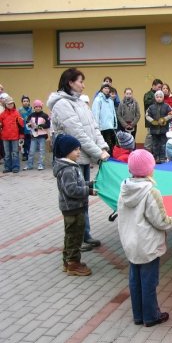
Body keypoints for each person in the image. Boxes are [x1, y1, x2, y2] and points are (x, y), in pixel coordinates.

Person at [117, 149, 172, 326]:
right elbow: (161, 221)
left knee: (135, 281)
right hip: (147, 245)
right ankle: (151, 316)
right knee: (149, 282)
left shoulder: (124, 188)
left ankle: (138, 315)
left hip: (131, 243)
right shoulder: (150, 192)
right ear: (149, 169)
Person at [47, 68, 110, 252]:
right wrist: (98, 153)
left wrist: (103, 147)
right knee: (75, 198)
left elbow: (94, 128)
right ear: (70, 83)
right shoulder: (62, 105)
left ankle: (85, 235)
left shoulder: (81, 103)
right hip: (71, 159)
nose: (83, 85)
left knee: (82, 197)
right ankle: (77, 240)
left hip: (83, 157)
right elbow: (78, 135)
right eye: (80, 81)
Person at [52, 134, 95, 276]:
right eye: (75, 149)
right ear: (66, 151)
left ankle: (68, 261)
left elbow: (77, 184)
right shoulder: (67, 169)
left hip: (73, 207)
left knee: (70, 236)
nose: (79, 152)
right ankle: (73, 264)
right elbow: (71, 190)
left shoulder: (69, 166)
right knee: (75, 237)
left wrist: (90, 183)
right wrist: (89, 191)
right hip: (73, 208)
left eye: (79, 149)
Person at [145, 90, 172, 163]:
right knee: (155, 145)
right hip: (154, 130)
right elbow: (147, 115)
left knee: (163, 144)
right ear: (155, 98)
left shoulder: (167, 106)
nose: (159, 98)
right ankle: (156, 157)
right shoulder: (151, 107)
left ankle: (163, 158)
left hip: (163, 130)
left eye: (161, 97)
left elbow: (171, 114)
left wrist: (164, 119)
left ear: (163, 98)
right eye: (157, 97)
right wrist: (152, 121)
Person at [24, 99, 50, 171]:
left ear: (41, 107)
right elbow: (27, 123)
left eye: (39, 106)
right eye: (36, 107)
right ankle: (29, 165)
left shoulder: (45, 115)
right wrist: (29, 125)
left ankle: (41, 164)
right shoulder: (31, 115)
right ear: (34, 107)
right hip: (33, 135)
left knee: (42, 151)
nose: (37, 108)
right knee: (31, 151)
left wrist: (40, 126)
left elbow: (48, 125)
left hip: (42, 136)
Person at [92, 82, 118, 153]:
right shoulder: (98, 100)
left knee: (113, 145)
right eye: (105, 88)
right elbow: (95, 114)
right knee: (105, 146)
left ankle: (112, 161)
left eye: (108, 88)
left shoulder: (110, 100)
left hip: (110, 126)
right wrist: (96, 127)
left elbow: (113, 114)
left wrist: (115, 125)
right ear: (101, 89)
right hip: (102, 127)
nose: (107, 89)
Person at [0, 96, 24, 173]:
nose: (10, 105)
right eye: (8, 104)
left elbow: (21, 125)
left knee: (15, 152)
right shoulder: (2, 115)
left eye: (11, 103)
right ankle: (7, 167)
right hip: (5, 137)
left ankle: (15, 167)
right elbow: (1, 125)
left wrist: (21, 135)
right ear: (5, 105)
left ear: (13, 104)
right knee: (7, 153)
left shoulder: (17, 113)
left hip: (15, 137)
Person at [143, 79, 164, 152]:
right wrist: (157, 99)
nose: (160, 89)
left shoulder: (161, 95)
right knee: (150, 134)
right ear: (153, 86)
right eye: (159, 87)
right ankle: (147, 149)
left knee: (156, 135)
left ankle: (154, 150)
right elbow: (147, 103)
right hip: (151, 119)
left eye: (161, 87)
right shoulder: (148, 94)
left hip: (159, 119)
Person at [18, 95, 33, 161]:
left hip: (29, 130)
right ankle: (24, 155)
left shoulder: (32, 110)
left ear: (29, 102)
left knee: (29, 143)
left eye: (27, 101)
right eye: (24, 101)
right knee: (22, 144)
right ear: (22, 102)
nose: (25, 102)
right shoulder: (19, 110)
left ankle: (30, 155)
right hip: (22, 130)